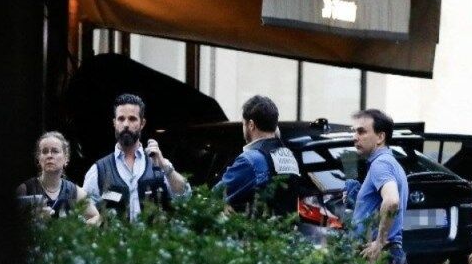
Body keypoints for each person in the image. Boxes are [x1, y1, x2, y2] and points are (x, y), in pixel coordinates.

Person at [83, 93, 190, 222]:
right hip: (114, 241)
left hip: (153, 241)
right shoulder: (98, 169)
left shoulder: (159, 163)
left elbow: (186, 197)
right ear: (114, 123)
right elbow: (83, 213)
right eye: (121, 119)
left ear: (142, 123)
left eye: (132, 119)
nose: (126, 124)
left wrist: (164, 165)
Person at [215, 95, 300, 211]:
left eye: (243, 124)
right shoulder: (288, 155)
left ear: (251, 125)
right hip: (282, 227)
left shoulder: (250, 160)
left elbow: (215, 196)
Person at [350, 108, 408, 264]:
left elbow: (392, 201)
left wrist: (379, 242)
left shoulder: (380, 164)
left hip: (379, 258)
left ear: (380, 137)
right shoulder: (390, 163)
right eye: (354, 132)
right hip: (387, 255)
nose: (355, 137)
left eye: (361, 132)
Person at [16, 131, 100, 225]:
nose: (49, 155)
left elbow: (96, 217)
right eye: (44, 151)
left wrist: (80, 232)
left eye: (55, 151)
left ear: (66, 158)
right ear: (39, 159)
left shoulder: (75, 191)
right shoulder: (25, 189)